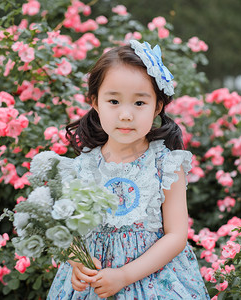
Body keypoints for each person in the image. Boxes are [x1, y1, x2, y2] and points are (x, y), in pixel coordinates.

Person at [47, 40, 210, 299]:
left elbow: (176, 235)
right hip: (94, 283)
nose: (125, 115)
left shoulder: (166, 165)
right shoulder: (80, 167)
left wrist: (125, 275)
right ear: (95, 103)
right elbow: (66, 228)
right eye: (113, 101)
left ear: (157, 106)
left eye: (139, 103)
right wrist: (75, 260)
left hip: (154, 280)